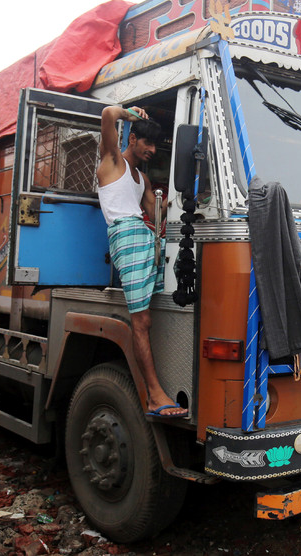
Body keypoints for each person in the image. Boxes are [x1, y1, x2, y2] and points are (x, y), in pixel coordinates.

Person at [97, 104, 186, 418]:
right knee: (141, 321)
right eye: (146, 143)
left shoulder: (142, 180)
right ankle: (153, 394)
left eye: (155, 145)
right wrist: (129, 114)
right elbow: (108, 114)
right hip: (126, 236)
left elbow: (158, 215)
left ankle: (155, 393)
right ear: (131, 139)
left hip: (146, 240)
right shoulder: (111, 160)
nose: (151, 149)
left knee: (147, 319)